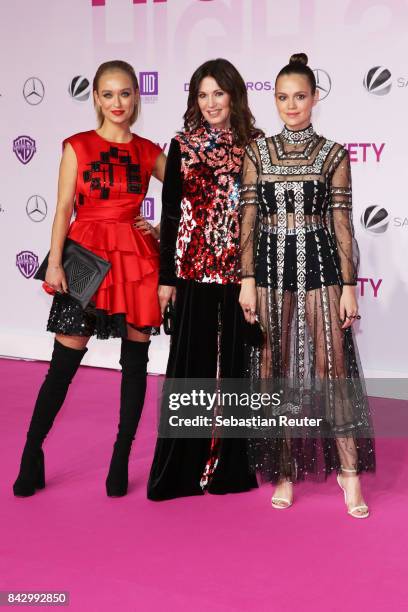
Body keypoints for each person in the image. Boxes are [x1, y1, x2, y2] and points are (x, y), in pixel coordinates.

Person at [13, 60, 166, 498]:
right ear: (96, 98)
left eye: (125, 93)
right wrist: (56, 263)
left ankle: (120, 460)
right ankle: (30, 453)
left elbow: (185, 193)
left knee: (135, 364)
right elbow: (62, 209)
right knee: (63, 365)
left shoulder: (149, 151)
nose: (117, 102)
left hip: (136, 260)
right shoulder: (77, 146)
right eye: (108, 94)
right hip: (84, 257)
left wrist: (160, 229)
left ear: (136, 97)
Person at [239, 53, 375, 518]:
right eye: (282, 97)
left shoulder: (334, 153)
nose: (291, 105)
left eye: (299, 96)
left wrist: (350, 285)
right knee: (274, 366)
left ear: (315, 98)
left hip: (320, 269)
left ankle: (349, 474)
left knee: (331, 365)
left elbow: (341, 222)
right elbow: (249, 220)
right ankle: (283, 470)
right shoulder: (257, 152)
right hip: (271, 270)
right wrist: (247, 279)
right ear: (273, 99)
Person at [147, 58, 262, 501]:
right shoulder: (182, 145)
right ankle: (181, 470)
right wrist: (166, 279)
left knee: (236, 371)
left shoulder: (255, 145)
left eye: (218, 93)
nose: (211, 102)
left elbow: (261, 218)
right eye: (202, 94)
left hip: (241, 276)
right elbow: (172, 214)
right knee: (189, 369)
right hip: (193, 273)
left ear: (233, 94)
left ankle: (230, 468)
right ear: (194, 99)